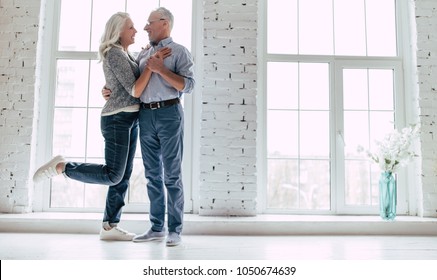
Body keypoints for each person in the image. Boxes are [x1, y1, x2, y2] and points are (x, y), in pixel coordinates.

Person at [33, 12, 170, 241]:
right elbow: (135, 90)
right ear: (118, 31)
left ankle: (109, 226)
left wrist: (145, 59)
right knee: (113, 175)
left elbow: (122, 85)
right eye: (131, 28)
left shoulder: (125, 54)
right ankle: (63, 167)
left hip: (130, 119)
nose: (135, 31)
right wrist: (152, 66)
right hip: (117, 119)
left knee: (123, 176)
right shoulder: (114, 53)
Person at [104, 7, 195, 246]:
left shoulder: (179, 52)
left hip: (169, 114)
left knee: (172, 175)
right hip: (145, 116)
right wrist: (109, 91)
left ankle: (175, 230)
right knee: (153, 175)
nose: (145, 28)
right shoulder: (142, 55)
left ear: (164, 23)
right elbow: (130, 83)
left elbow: (189, 85)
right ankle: (157, 228)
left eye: (149, 23)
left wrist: (161, 69)